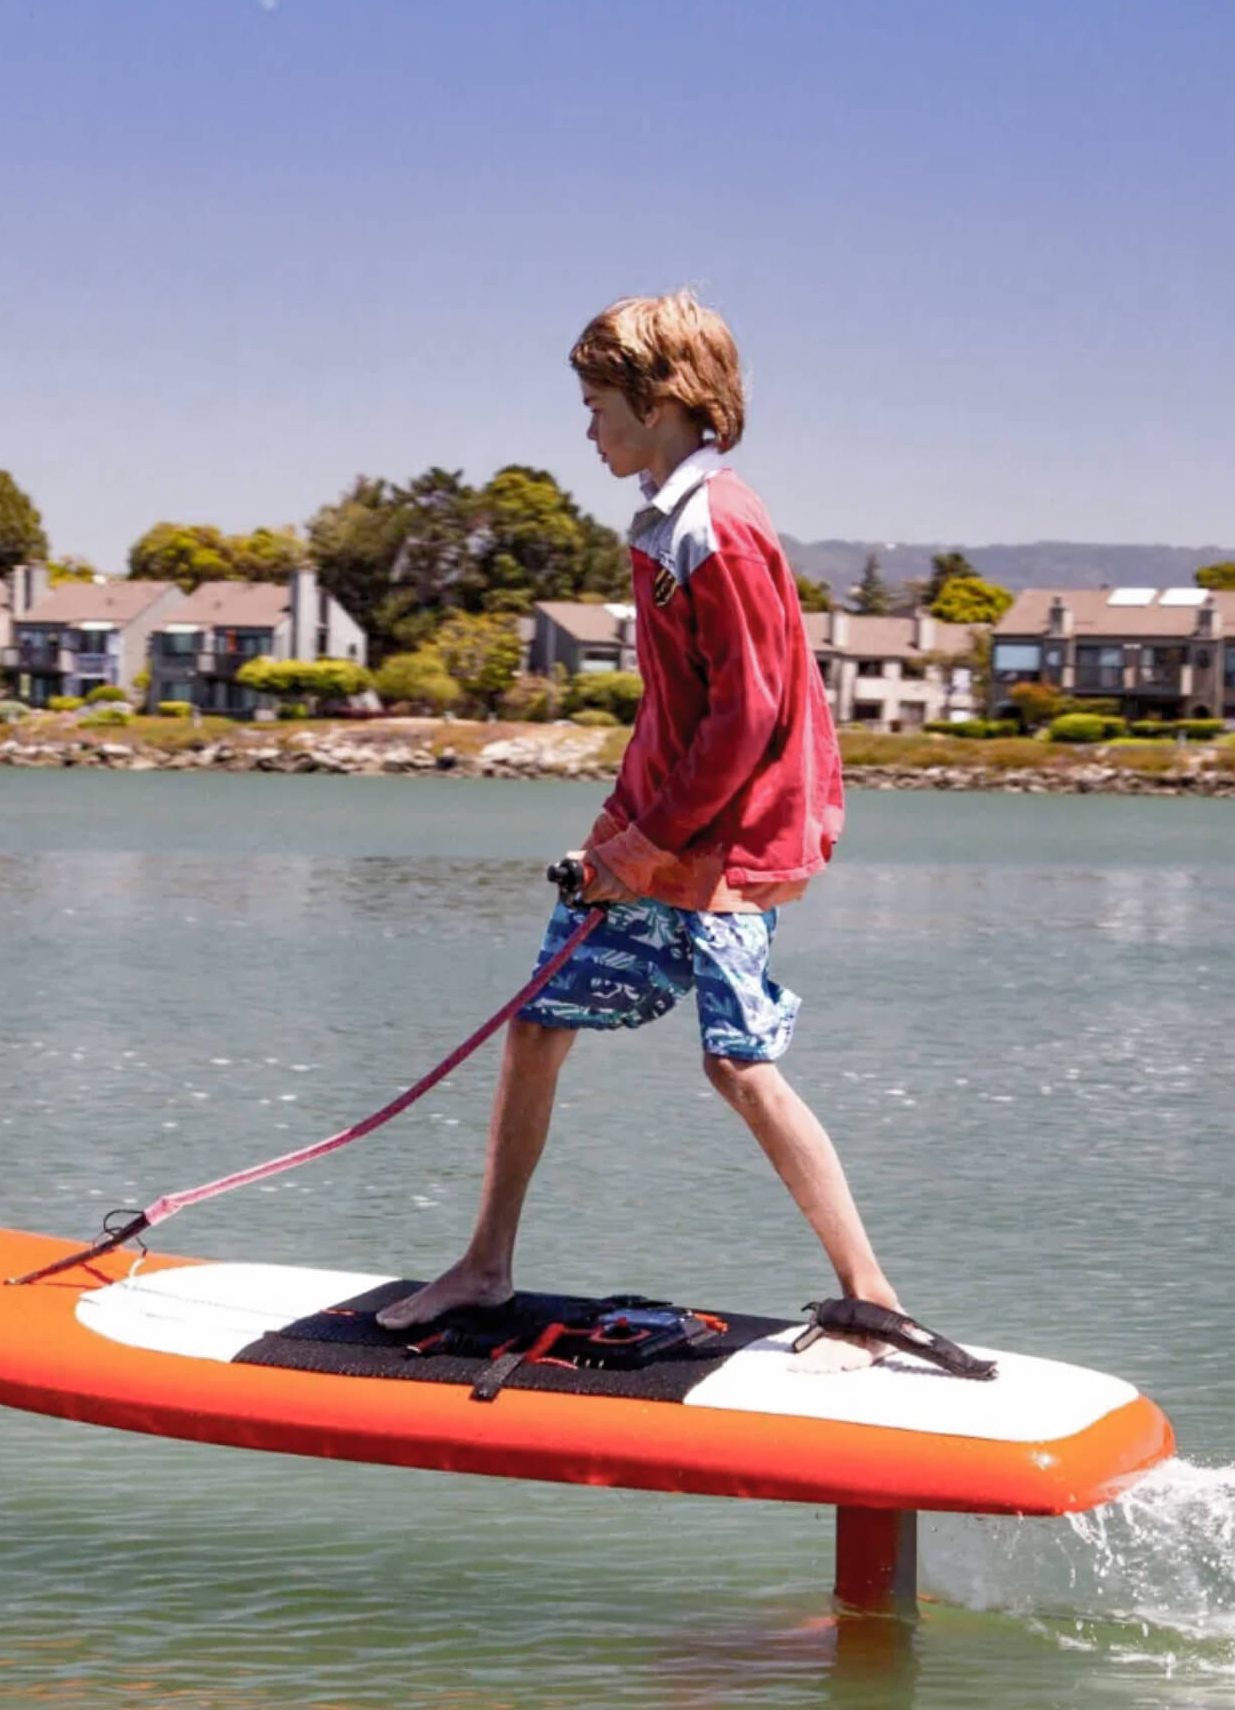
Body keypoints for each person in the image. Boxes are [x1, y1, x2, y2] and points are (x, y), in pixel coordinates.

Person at [378, 292, 900, 1366]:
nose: (587, 430)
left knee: (740, 1065)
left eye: (596, 405)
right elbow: (674, 714)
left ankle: (871, 1302)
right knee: (537, 1024)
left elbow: (746, 717)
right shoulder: (666, 520)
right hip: (669, 840)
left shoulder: (720, 525)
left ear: (661, 403)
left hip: (729, 849)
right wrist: (613, 836)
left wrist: (640, 849)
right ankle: (485, 1266)